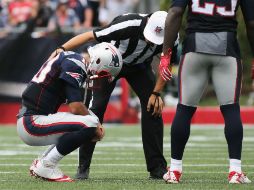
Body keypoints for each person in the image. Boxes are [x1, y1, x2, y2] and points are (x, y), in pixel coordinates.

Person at [49, 11, 178, 179]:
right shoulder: (127, 24)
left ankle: (157, 168)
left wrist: (156, 92)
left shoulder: (172, 36)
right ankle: (83, 167)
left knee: (153, 107)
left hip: (140, 66)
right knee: (94, 111)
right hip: (109, 63)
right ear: (147, 25)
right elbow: (90, 36)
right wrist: (62, 49)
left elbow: (166, 65)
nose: (151, 41)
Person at [158, 0, 254, 184]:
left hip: (195, 47)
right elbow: (251, 23)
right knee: (231, 109)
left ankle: (175, 170)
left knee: (184, 109)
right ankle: (235, 171)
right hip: (227, 49)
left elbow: (174, 13)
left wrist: (165, 54)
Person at [16, 42, 123, 182]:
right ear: (98, 60)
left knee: (85, 123)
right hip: (31, 123)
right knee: (89, 124)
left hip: (31, 120)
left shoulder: (71, 58)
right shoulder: (76, 64)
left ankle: (43, 161)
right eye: (103, 73)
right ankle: (47, 165)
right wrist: (96, 123)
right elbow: (75, 107)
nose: (99, 76)